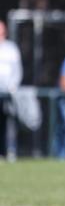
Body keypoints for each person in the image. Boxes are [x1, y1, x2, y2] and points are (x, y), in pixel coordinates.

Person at [0, 21, 23, 160]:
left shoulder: (11, 49)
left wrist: (12, 87)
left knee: (8, 123)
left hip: (8, 93)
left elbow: (17, 71)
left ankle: (9, 150)